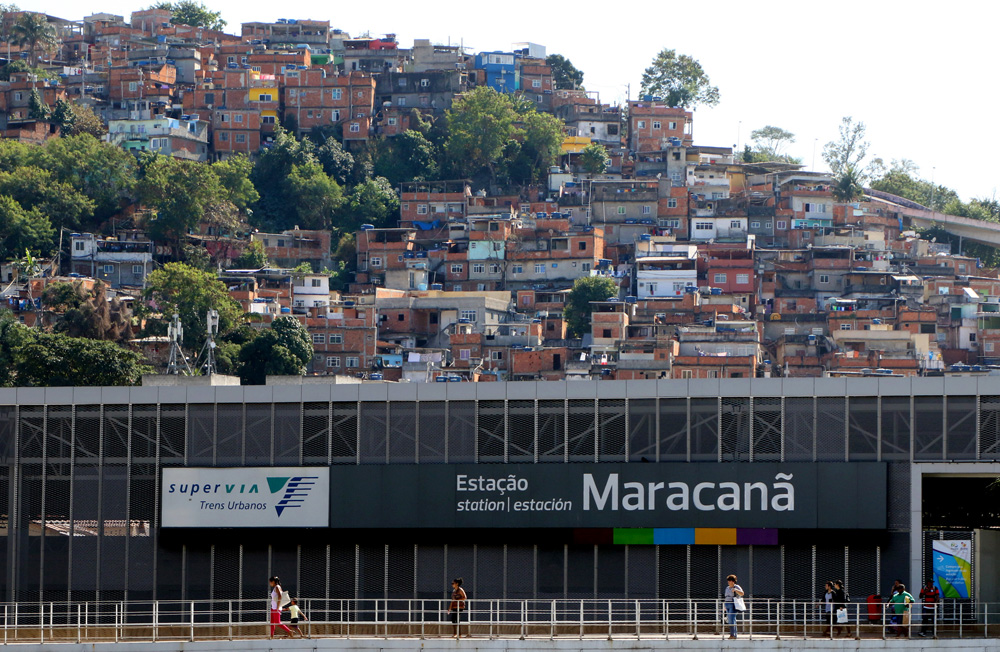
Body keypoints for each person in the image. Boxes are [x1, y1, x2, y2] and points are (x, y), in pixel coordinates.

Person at [723, 574, 744, 639]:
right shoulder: (727, 588)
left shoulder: (736, 586)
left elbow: (742, 593)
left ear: (733, 581)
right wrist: (724, 606)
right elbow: (726, 597)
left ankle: (732, 635)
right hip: (727, 604)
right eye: (728, 581)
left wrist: (736, 590)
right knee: (731, 619)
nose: (729, 582)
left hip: (733, 604)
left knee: (731, 620)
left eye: (730, 580)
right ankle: (734, 634)